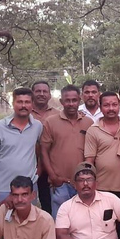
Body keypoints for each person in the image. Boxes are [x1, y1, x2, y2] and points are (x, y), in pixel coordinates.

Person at [41, 85, 93, 217]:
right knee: (60, 222)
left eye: (74, 100)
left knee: (81, 221)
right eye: (67, 100)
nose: (71, 104)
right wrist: (53, 176)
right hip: (60, 183)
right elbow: (44, 151)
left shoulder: (88, 122)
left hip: (82, 182)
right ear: (61, 102)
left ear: (79, 100)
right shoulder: (51, 122)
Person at [0, 87, 42, 205]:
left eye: (27, 102)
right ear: (13, 103)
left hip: (29, 188)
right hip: (4, 188)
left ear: (32, 104)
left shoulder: (37, 126)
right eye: (19, 102)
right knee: (2, 222)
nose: (23, 105)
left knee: (28, 222)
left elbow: (39, 151)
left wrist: (39, 170)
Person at [84, 92, 120, 203]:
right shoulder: (93, 130)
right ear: (100, 107)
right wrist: (88, 183)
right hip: (102, 186)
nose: (111, 108)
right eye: (106, 105)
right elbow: (89, 160)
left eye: (114, 105)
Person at [31, 80, 59, 214]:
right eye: (38, 91)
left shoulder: (58, 114)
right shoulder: (25, 113)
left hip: (52, 167)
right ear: (32, 94)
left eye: (45, 91)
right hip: (30, 167)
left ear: (49, 95)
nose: (41, 94)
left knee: (50, 204)